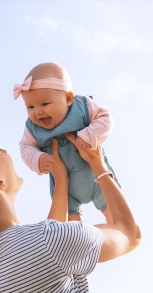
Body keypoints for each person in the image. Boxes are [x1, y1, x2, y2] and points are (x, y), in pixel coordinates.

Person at [0, 133, 141, 292]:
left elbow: (44, 257)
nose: (6, 151)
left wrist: (61, 180)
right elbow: (131, 234)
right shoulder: (51, 242)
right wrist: (97, 164)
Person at [14, 62, 120, 222]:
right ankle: (77, 238)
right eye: (30, 107)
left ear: (68, 98)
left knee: (115, 216)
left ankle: (115, 228)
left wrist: (89, 135)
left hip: (97, 177)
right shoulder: (32, 128)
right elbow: (25, 147)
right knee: (70, 228)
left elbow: (106, 119)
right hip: (66, 188)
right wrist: (37, 159)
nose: (37, 112)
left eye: (44, 104)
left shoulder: (82, 107)